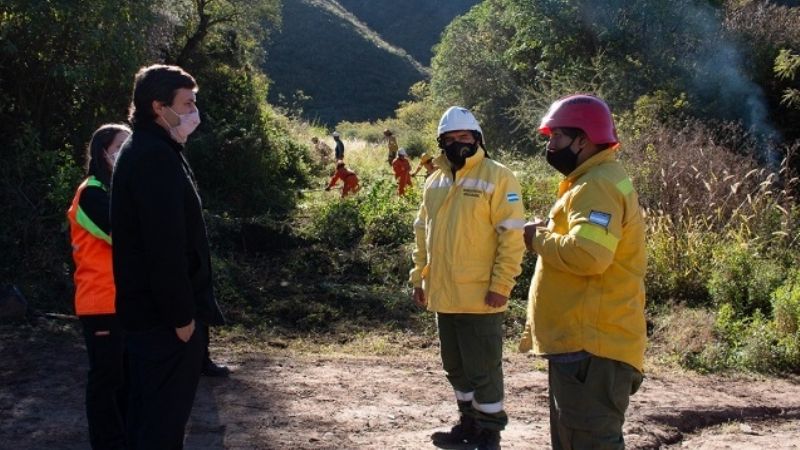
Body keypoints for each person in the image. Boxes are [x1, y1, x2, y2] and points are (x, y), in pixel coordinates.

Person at [519, 94, 646, 450]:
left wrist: (536, 238)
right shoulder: (597, 179)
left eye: (557, 137)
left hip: (591, 349)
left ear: (583, 139)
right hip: (585, 347)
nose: (550, 145)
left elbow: (589, 256)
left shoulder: (596, 185)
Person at [111, 64, 225, 450]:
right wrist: (180, 316)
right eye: (188, 103)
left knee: (149, 419)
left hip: (150, 316)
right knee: (160, 424)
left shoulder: (152, 148)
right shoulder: (152, 157)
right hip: (163, 323)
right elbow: (163, 247)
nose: (195, 112)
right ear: (159, 107)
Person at [410, 106, 526, 450]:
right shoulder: (435, 180)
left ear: (477, 139)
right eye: (450, 139)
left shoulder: (498, 177)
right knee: (456, 368)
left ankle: (489, 432)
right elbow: (422, 232)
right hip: (443, 296)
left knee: (483, 370)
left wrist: (501, 285)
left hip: (481, 298)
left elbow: (512, 235)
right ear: (441, 142)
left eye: (464, 137)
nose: (457, 143)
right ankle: (469, 423)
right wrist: (420, 278)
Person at [67, 123, 131, 450]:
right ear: (103, 152)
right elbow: (119, 234)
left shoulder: (116, 190)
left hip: (124, 303)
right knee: (107, 380)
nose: (127, 152)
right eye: (121, 146)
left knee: (126, 379)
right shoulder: (91, 191)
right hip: (101, 303)